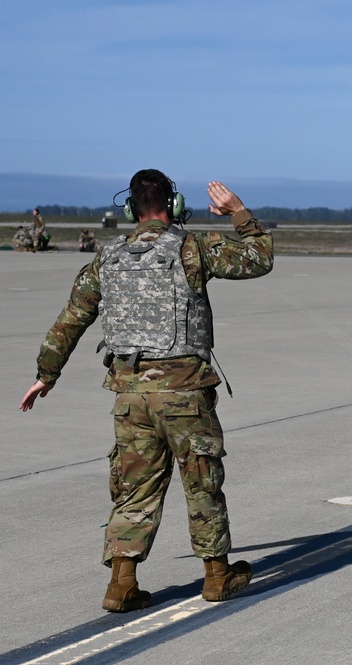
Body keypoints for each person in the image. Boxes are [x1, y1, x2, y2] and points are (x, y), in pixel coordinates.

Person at [19, 169, 274, 613]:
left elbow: (72, 317)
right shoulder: (192, 247)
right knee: (202, 482)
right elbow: (258, 259)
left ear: (130, 209)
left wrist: (47, 373)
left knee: (133, 488)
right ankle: (216, 576)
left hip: (131, 395)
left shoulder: (109, 256)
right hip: (185, 393)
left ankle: (122, 584)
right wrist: (238, 212)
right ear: (172, 206)